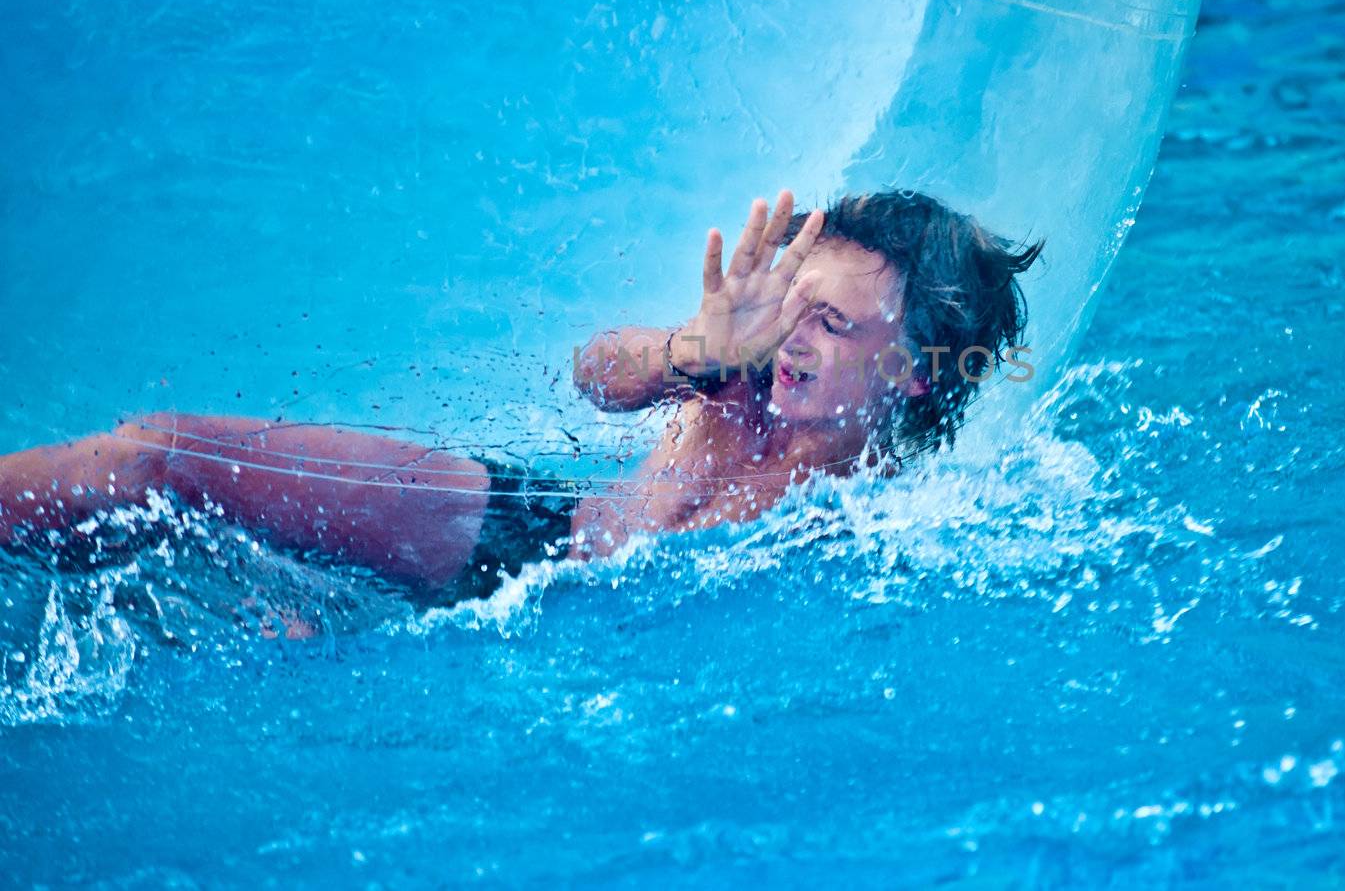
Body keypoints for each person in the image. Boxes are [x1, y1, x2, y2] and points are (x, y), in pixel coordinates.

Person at [0, 189, 1042, 608]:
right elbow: (600, 373)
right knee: (162, 456)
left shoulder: (893, 510)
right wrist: (695, 345)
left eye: (833, 323)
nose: (792, 337)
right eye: (793, 305)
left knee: (273, 624)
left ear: (908, 371)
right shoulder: (736, 372)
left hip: (562, 643)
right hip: (516, 535)